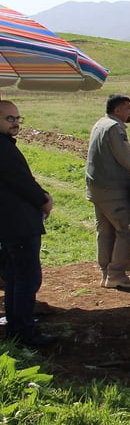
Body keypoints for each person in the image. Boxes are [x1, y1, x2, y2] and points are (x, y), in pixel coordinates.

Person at [0, 100, 56, 347]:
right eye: (9, 119)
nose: (15, 124)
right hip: (18, 224)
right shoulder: (3, 148)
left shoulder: (5, 145)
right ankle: (23, 332)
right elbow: (21, 182)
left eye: (17, 119)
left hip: (11, 224)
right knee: (26, 279)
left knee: (15, 277)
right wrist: (43, 198)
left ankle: (16, 326)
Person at [85, 94, 130, 288]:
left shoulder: (100, 124)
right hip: (112, 189)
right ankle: (116, 274)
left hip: (97, 187)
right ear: (117, 110)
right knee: (125, 230)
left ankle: (106, 272)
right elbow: (125, 156)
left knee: (105, 231)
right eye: (127, 107)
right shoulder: (115, 128)